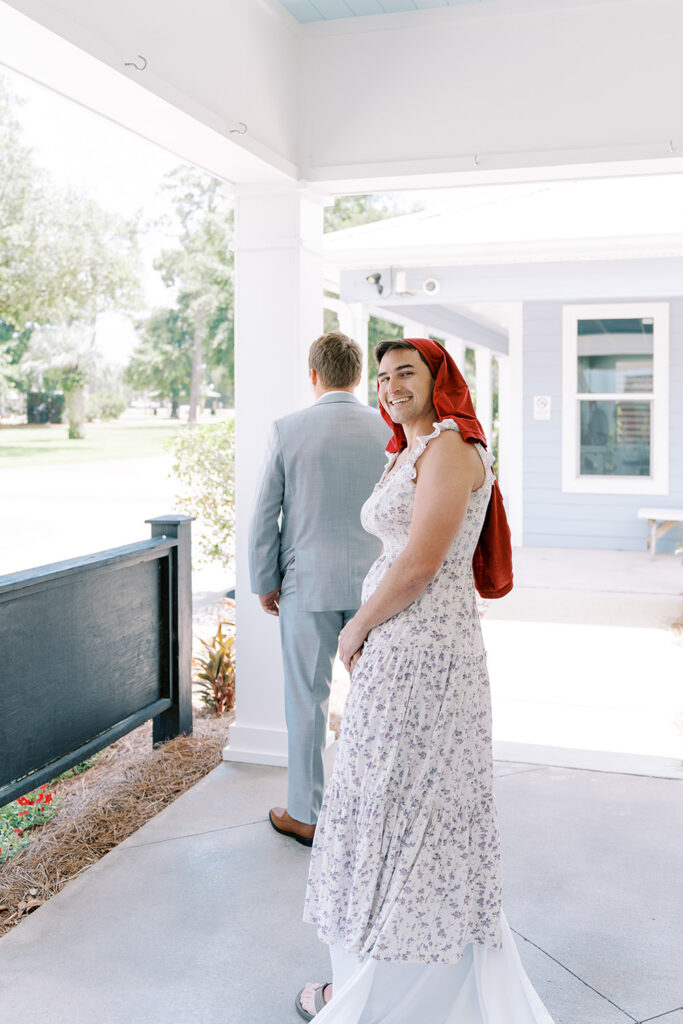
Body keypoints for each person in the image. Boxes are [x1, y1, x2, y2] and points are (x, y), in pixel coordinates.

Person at [297, 338, 555, 1023]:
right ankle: (369, 977)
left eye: (404, 372)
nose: (389, 386)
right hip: (399, 647)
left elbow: (417, 565)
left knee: (406, 808)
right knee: (382, 803)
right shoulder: (409, 451)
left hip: (423, 653)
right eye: (381, 377)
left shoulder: (448, 448)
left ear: (439, 378)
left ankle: (393, 994)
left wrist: (355, 630)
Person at [249, 331, 391, 845]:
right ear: (358, 377)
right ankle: (371, 814)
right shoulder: (388, 429)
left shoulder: (289, 429)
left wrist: (266, 581)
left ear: (314, 375)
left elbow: (267, 512)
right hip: (379, 591)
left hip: (305, 586)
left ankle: (306, 815)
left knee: (306, 703)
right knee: (376, 703)